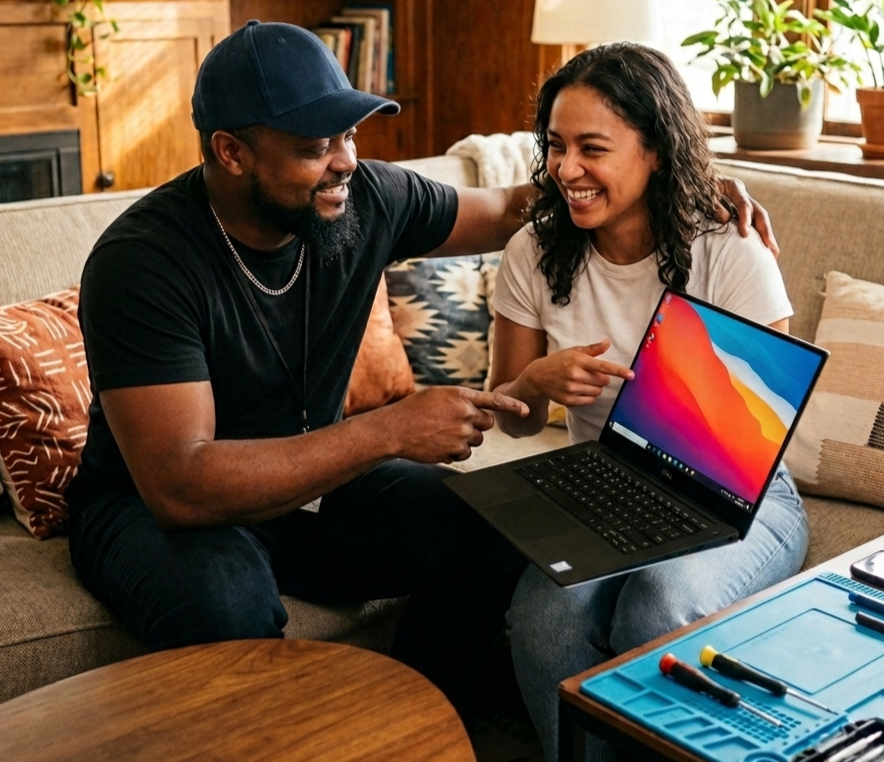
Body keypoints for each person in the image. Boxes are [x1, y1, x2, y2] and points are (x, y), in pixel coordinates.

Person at [64, 21, 773, 724]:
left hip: (316, 486)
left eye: (349, 135)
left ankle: (408, 725)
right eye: (315, 147)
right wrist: (389, 432)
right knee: (225, 605)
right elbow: (181, 486)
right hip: (159, 510)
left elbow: (512, 209)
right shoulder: (144, 263)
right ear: (232, 152)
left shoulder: (364, 199)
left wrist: (676, 182)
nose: (345, 161)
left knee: (500, 528)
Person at [490, 43, 808, 761]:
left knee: (657, 606)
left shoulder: (729, 250)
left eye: (592, 148)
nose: (566, 169)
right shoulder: (532, 253)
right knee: (542, 622)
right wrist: (534, 383)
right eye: (556, 146)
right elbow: (514, 415)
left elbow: (762, 428)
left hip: (738, 493)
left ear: (656, 151)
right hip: (602, 487)